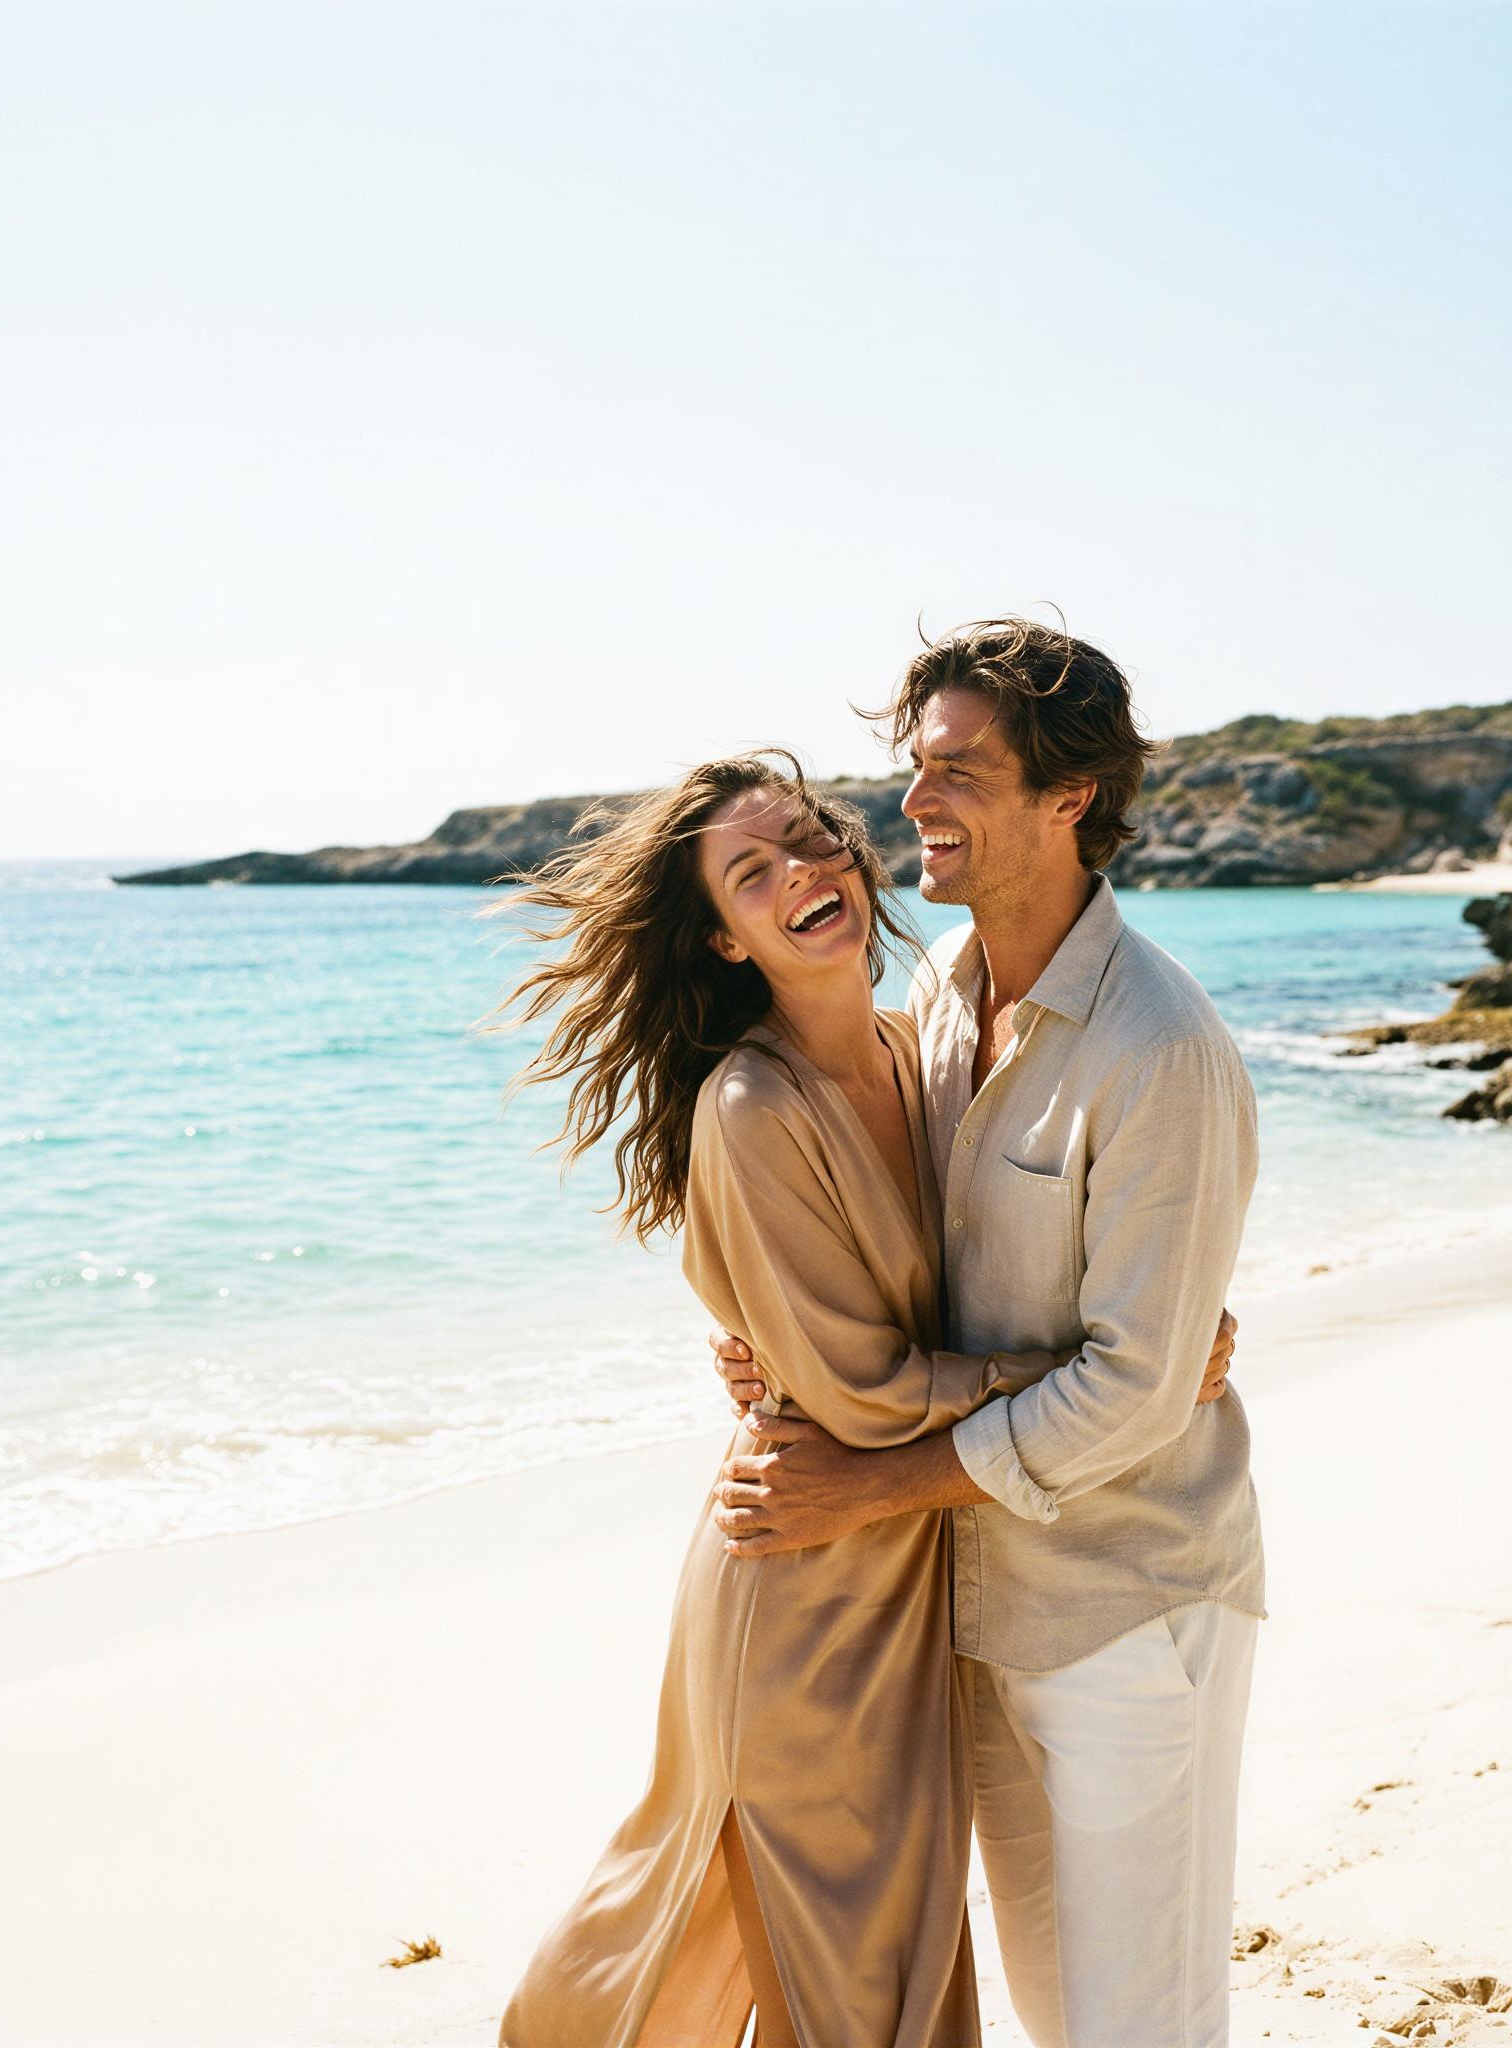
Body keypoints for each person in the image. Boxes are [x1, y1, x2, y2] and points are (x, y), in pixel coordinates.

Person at [480, 749, 1235, 2048]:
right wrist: (1117, 1365)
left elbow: (1010, 1247)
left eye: (810, 839)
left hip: (921, 1573)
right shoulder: (749, 1108)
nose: (800, 875)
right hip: (809, 1586)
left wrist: (1139, 1322)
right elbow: (868, 1396)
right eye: (751, 872)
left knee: (883, 1963)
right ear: (721, 936)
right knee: (844, 1977)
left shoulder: (922, 1045)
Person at [708, 619, 1266, 2048]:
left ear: (1067, 796)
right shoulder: (941, 1003)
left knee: (1141, 2026)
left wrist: (878, 1480)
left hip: (1130, 1610)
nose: (915, 804)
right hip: (975, 1611)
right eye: (915, 769)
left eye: (957, 770)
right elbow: (881, 1238)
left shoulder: (1161, 1048)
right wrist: (768, 1338)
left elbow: (1136, 1390)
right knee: (1056, 2012)